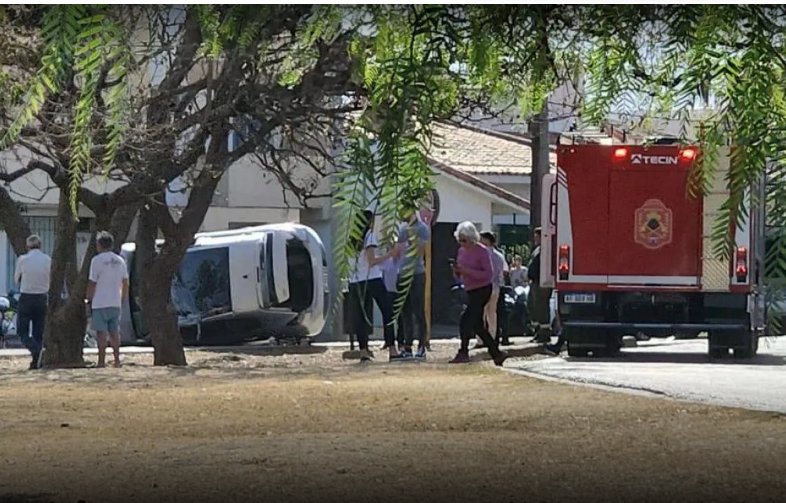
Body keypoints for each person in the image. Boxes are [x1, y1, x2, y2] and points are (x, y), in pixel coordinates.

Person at [448, 221, 507, 366]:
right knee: (477, 325)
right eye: (459, 240)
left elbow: (488, 275)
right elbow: (460, 276)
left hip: (483, 289)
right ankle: (496, 353)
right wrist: (457, 271)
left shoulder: (482, 251)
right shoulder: (461, 251)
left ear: (472, 238)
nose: (462, 243)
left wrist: (467, 271)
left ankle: (463, 351)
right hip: (470, 289)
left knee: (465, 319)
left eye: (464, 240)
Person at [348, 210, 398, 363]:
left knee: (362, 316)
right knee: (387, 311)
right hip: (372, 278)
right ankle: (392, 348)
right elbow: (372, 261)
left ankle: (363, 350)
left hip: (356, 280)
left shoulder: (351, 238)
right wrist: (390, 254)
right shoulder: (369, 236)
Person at [392, 203, 430, 359]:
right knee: (405, 312)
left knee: (418, 311)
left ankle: (421, 346)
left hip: (417, 273)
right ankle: (407, 346)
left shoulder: (422, 228)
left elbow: (420, 250)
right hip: (403, 273)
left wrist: (407, 243)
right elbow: (397, 252)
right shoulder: (402, 229)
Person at [86, 231, 129, 368]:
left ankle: (101, 361)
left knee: (101, 333)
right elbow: (125, 281)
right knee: (114, 332)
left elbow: (92, 282)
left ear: (99, 245)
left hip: (100, 301)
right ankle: (116, 360)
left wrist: (88, 298)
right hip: (115, 301)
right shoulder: (120, 260)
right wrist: (123, 297)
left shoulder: (96, 260)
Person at [14, 235, 51, 370]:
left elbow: (16, 279)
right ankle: (36, 360)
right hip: (42, 297)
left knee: (22, 330)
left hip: (26, 297)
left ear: (27, 246)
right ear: (40, 245)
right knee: (38, 331)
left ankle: (35, 350)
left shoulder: (22, 259)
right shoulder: (48, 260)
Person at [475, 231, 507, 349]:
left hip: (483, 286)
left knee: (481, 313)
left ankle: (481, 340)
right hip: (495, 287)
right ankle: (493, 338)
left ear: (487, 240)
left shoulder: (481, 254)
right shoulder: (499, 255)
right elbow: (504, 272)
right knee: (492, 314)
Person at [527, 228, 551, 343]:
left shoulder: (546, 250)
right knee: (533, 307)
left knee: (541, 308)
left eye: (537, 237)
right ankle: (537, 331)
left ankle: (545, 333)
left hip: (542, 284)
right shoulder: (537, 249)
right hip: (534, 282)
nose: (535, 239)